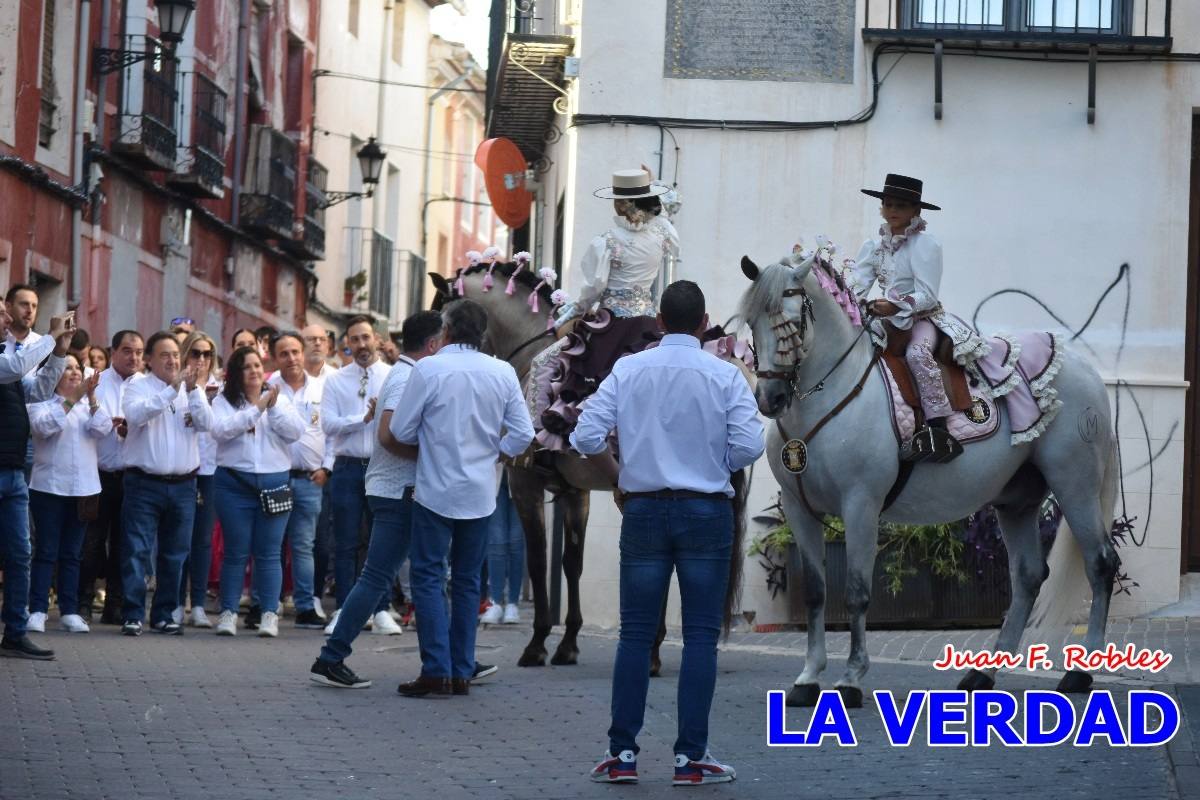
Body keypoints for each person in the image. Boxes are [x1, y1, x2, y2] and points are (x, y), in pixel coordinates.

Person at [572, 281, 763, 786]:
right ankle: (690, 759)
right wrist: (713, 464)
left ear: (659, 318)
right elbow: (750, 444)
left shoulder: (630, 368)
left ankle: (622, 755)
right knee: (700, 637)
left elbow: (585, 434)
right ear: (704, 323)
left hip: (644, 511)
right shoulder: (724, 375)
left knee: (635, 635)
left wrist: (619, 477)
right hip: (706, 512)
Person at [390, 300, 534, 698]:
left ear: (446, 332)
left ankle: (436, 669)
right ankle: (462, 668)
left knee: (428, 577)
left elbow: (401, 429)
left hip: (435, 487)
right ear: (484, 334)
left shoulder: (428, 368)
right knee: (469, 581)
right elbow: (523, 434)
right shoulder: (502, 371)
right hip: (480, 489)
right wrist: (496, 452)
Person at [309, 310, 443, 689]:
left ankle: (451, 657)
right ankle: (333, 656)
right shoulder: (405, 377)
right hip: (396, 490)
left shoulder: (397, 373)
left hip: (397, 488)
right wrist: (435, 458)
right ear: (433, 344)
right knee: (386, 573)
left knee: (422, 574)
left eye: (367, 337)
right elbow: (387, 435)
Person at [532, 168, 679, 452]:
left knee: (543, 363)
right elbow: (669, 208)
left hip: (611, 325)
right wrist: (654, 185)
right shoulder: (663, 234)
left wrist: (571, 310)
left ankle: (538, 444)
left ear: (621, 204)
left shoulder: (608, 240)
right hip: (648, 325)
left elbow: (594, 289)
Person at [850, 174, 989, 464]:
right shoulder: (873, 248)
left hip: (922, 319)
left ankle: (938, 429)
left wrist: (894, 305)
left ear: (916, 211)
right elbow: (856, 285)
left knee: (917, 354)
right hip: (886, 321)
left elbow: (927, 293)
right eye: (888, 204)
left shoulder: (926, 245)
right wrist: (845, 298)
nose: (893, 211)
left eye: (901, 205)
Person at [119, 331, 213, 636]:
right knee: (137, 550)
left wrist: (194, 391)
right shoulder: (137, 385)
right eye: (164, 355)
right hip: (144, 483)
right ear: (148, 359)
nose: (173, 360)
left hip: (184, 484)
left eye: (176, 355)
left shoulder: (191, 390)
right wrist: (172, 390)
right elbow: (136, 415)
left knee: (175, 553)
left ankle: (163, 614)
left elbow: (207, 425)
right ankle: (133, 613)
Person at [209, 346, 305, 637]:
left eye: (256, 366)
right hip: (234, 483)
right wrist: (256, 409)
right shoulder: (224, 401)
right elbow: (221, 430)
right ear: (236, 373)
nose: (253, 371)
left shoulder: (281, 399)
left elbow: (295, 432)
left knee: (269, 552)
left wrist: (272, 407)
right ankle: (228, 612)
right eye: (246, 367)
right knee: (236, 551)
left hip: (274, 482)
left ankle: (269, 614)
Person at [0, 305, 74, 660]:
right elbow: (15, 369)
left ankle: (14, 632)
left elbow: (39, 388)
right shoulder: (8, 360)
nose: (9, 320)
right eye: (1, 313)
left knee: (19, 554)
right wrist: (49, 336)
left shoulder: (8, 355)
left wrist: (60, 351)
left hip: (13, 473)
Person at [320, 316, 399, 636]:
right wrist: (363, 418)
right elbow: (328, 425)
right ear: (347, 346)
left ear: (377, 339)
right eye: (355, 339)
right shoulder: (337, 380)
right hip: (348, 467)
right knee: (347, 542)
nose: (362, 345)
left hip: (383, 466)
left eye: (366, 337)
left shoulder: (393, 376)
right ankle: (342, 609)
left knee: (381, 542)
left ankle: (381, 609)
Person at [26, 357, 110, 634]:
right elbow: (44, 427)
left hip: (84, 488)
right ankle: (38, 609)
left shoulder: (89, 404)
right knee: (47, 551)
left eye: (78, 367)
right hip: (48, 487)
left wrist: (92, 396)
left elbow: (103, 428)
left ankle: (69, 610)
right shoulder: (40, 403)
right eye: (68, 367)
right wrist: (73, 398)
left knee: (73, 554)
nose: (75, 372)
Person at [267, 332, 333, 629]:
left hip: (310, 479)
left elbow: (332, 433)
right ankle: (268, 603)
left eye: (295, 351)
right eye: (284, 353)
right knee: (271, 545)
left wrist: (327, 468)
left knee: (303, 545)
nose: (291, 358)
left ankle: (306, 606)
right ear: (274, 357)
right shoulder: (268, 389)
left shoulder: (323, 388)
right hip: (276, 478)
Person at [79, 330, 144, 624]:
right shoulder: (96, 382)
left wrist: (134, 429)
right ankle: (83, 600)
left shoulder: (147, 386)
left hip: (133, 477)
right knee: (91, 542)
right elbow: (85, 425)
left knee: (124, 544)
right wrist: (107, 424)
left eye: (140, 352)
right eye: (128, 351)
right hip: (98, 474)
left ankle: (115, 605)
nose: (134, 357)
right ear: (113, 351)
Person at [177, 331, 220, 628]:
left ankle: (199, 605)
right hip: (182, 469)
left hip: (211, 471)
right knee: (179, 541)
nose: (201, 359)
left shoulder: (222, 387)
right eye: (195, 353)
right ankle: (176, 602)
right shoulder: (175, 386)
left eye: (207, 354)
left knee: (203, 541)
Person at [478, 471, 524, 625]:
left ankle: (513, 603)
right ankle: (496, 601)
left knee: (517, 542)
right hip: (492, 471)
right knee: (496, 542)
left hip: (524, 470)